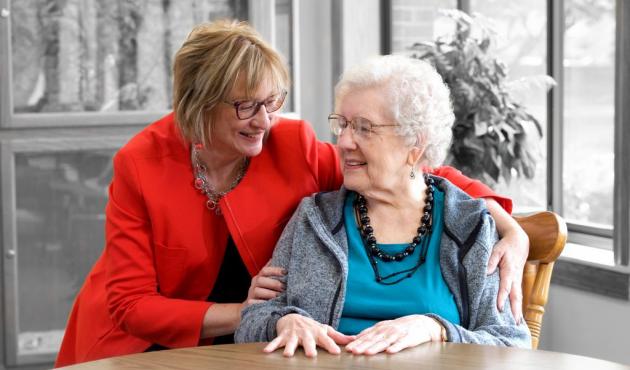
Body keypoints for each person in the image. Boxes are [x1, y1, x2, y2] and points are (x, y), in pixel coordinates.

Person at [55, 21, 527, 367]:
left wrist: (502, 219)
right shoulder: (140, 163)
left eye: (271, 102)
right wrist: (253, 312)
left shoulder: (290, 145)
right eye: (246, 106)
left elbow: (405, 165)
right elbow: (132, 305)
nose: (264, 121)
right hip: (144, 345)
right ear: (198, 105)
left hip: (244, 352)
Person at [235, 55, 531, 356]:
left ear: (415, 144)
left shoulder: (468, 226)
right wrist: (285, 321)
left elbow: (512, 344)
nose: (345, 141)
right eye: (344, 125)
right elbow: (251, 322)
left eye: (364, 128)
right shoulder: (314, 219)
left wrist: (436, 329)